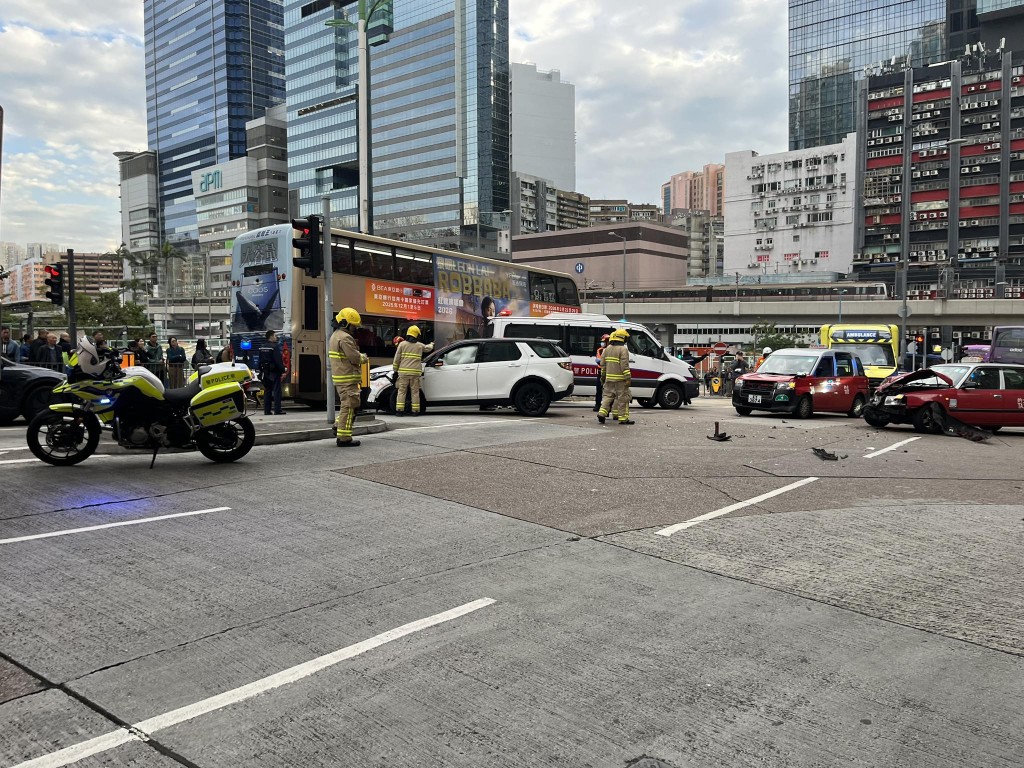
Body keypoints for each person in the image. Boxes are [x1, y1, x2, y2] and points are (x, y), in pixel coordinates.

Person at [329, 307, 367, 447]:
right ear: (345, 323)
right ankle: (344, 438)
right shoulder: (345, 338)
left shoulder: (335, 335)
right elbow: (354, 358)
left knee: (348, 405)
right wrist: (363, 357)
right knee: (349, 406)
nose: (354, 329)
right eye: (353, 326)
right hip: (347, 377)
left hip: (341, 377)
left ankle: (338, 425)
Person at [392, 325, 433, 416]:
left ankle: (399, 410)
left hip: (403, 373)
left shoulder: (402, 344)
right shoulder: (419, 345)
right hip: (415, 373)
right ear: (416, 335)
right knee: (415, 392)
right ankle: (415, 411)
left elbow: (396, 359)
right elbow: (428, 348)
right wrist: (432, 344)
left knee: (401, 391)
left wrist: (395, 370)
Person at [597, 328, 634, 425]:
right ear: (622, 338)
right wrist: (628, 378)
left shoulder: (607, 349)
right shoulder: (623, 349)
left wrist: (603, 377)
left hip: (609, 378)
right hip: (620, 380)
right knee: (623, 398)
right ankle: (623, 418)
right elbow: (624, 365)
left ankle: (601, 413)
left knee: (607, 397)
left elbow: (603, 365)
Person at [258, 330, 287, 415]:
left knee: (267, 390)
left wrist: (261, 371)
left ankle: (267, 410)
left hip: (265, 371)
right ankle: (277, 410)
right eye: (274, 336)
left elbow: (260, 361)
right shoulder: (274, 347)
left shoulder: (262, 347)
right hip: (274, 372)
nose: (276, 337)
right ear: (271, 337)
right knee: (277, 391)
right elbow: (278, 360)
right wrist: (283, 370)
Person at [593, 333, 610, 412]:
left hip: (609, 371)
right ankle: (597, 405)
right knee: (599, 390)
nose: (602, 343)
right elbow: (599, 361)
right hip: (600, 371)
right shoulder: (599, 350)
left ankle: (608, 406)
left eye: (604, 341)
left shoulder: (611, 350)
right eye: (602, 341)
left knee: (609, 391)